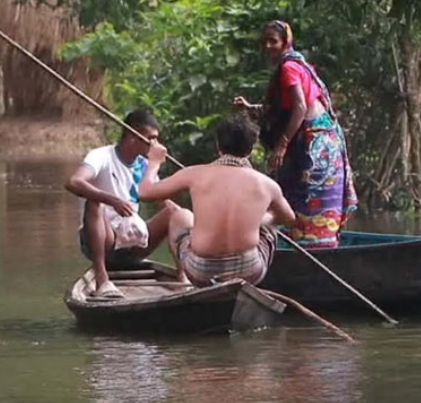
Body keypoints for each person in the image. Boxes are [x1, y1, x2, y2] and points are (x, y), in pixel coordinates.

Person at [233, 20, 357, 248]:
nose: (268, 46)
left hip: (315, 144)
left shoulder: (289, 68)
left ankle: (312, 248)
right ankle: (314, 245)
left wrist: (282, 145)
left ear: (285, 42)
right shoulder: (295, 64)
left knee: (307, 197)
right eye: (265, 42)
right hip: (322, 140)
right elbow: (282, 109)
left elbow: (300, 107)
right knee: (301, 198)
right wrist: (250, 108)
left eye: (273, 41)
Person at [138, 114, 295, 286]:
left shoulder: (194, 174)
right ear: (250, 150)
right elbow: (288, 218)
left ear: (218, 146)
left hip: (201, 271)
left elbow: (144, 192)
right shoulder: (267, 184)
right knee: (270, 225)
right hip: (249, 272)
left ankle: (185, 279)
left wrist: (154, 163)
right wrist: (262, 219)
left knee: (180, 216)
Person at [65, 110, 176, 299]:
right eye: (151, 138)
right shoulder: (101, 156)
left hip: (133, 242)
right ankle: (102, 279)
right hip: (103, 242)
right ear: (133, 135)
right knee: (94, 202)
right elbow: (73, 182)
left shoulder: (144, 165)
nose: (156, 145)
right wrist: (112, 200)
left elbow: (162, 203)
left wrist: (184, 216)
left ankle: (185, 279)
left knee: (176, 213)